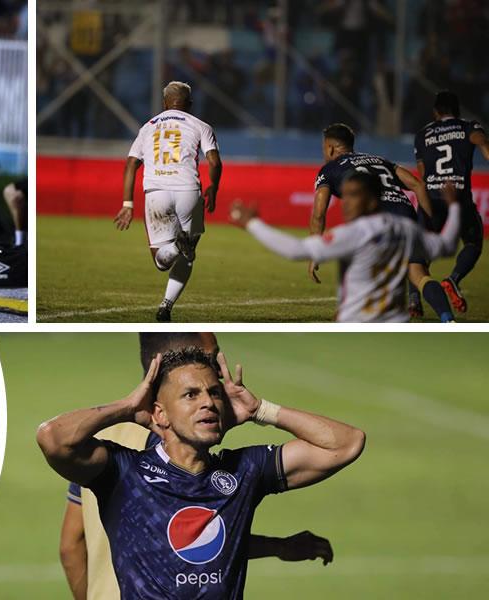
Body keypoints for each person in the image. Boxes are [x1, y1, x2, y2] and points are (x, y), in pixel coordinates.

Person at [37, 347, 366, 598]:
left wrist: (262, 410)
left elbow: (345, 444)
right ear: (160, 414)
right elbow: (52, 438)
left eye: (214, 393)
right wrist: (124, 408)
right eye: (191, 395)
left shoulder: (244, 471)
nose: (207, 402)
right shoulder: (124, 473)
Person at [235, 172, 461, 322]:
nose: (346, 202)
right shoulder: (405, 229)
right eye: (345, 195)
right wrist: (454, 207)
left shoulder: (355, 233)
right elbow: (448, 245)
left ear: (372, 201)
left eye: (354, 195)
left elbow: (295, 250)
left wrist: (252, 224)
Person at [311, 122, 452, 320]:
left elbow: (319, 213)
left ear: (331, 148)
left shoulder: (329, 169)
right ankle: (448, 319)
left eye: (324, 148)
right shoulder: (379, 160)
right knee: (419, 275)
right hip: (405, 215)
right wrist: (427, 226)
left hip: (375, 222)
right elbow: (418, 185)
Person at [114, 81, 222, 322]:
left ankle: (175, 247)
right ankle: (166, 305)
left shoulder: (148, 127)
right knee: (188, 253)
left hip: (156, 192)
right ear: (190, 104)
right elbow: (214, 162)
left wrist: (127, 204)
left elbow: (132, 163)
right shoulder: (201, 126)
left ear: (165, 103)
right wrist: (213, 187)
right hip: (189, 191)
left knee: (162, 263)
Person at [414, 91, 489, 313]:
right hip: (458, 198)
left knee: (419, 253)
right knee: (473, 243)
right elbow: (482, 143)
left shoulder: (423, 134)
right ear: (457, 110)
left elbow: (422, 172)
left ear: (436, 111)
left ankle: (413, 299)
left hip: (431, 199)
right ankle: (454, 279)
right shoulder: (468, 126)